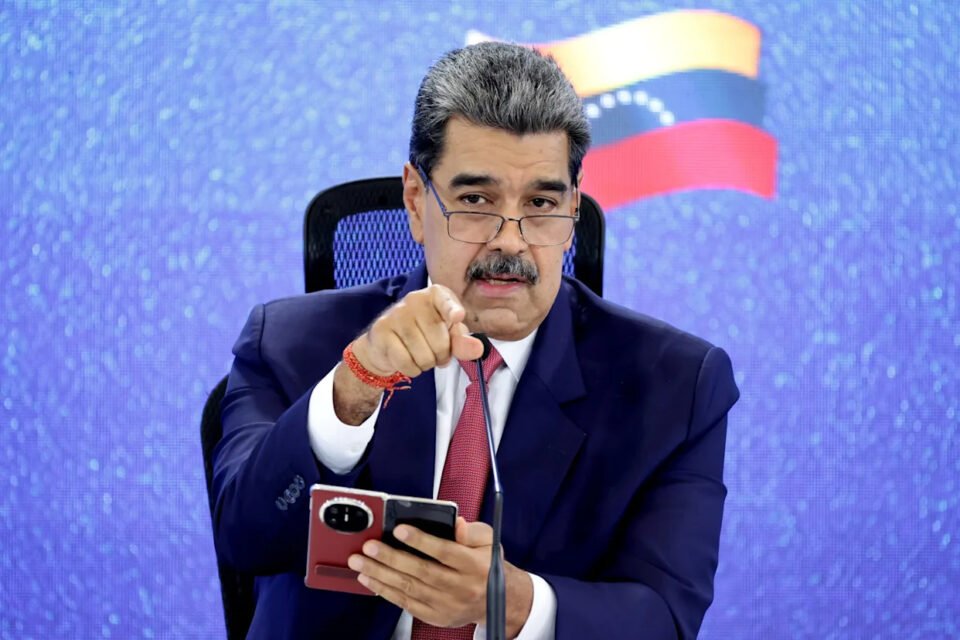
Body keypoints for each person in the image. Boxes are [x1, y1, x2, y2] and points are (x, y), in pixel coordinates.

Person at [213, 42, 739, 640]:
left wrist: (513, 604)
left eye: (540, 204)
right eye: (475, 201)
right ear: (416, 201)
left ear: (573, 209)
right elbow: (244, 539)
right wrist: (352, 392)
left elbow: (665, 620)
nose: (510, 241)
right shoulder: (290, 343)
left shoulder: (676, 387)